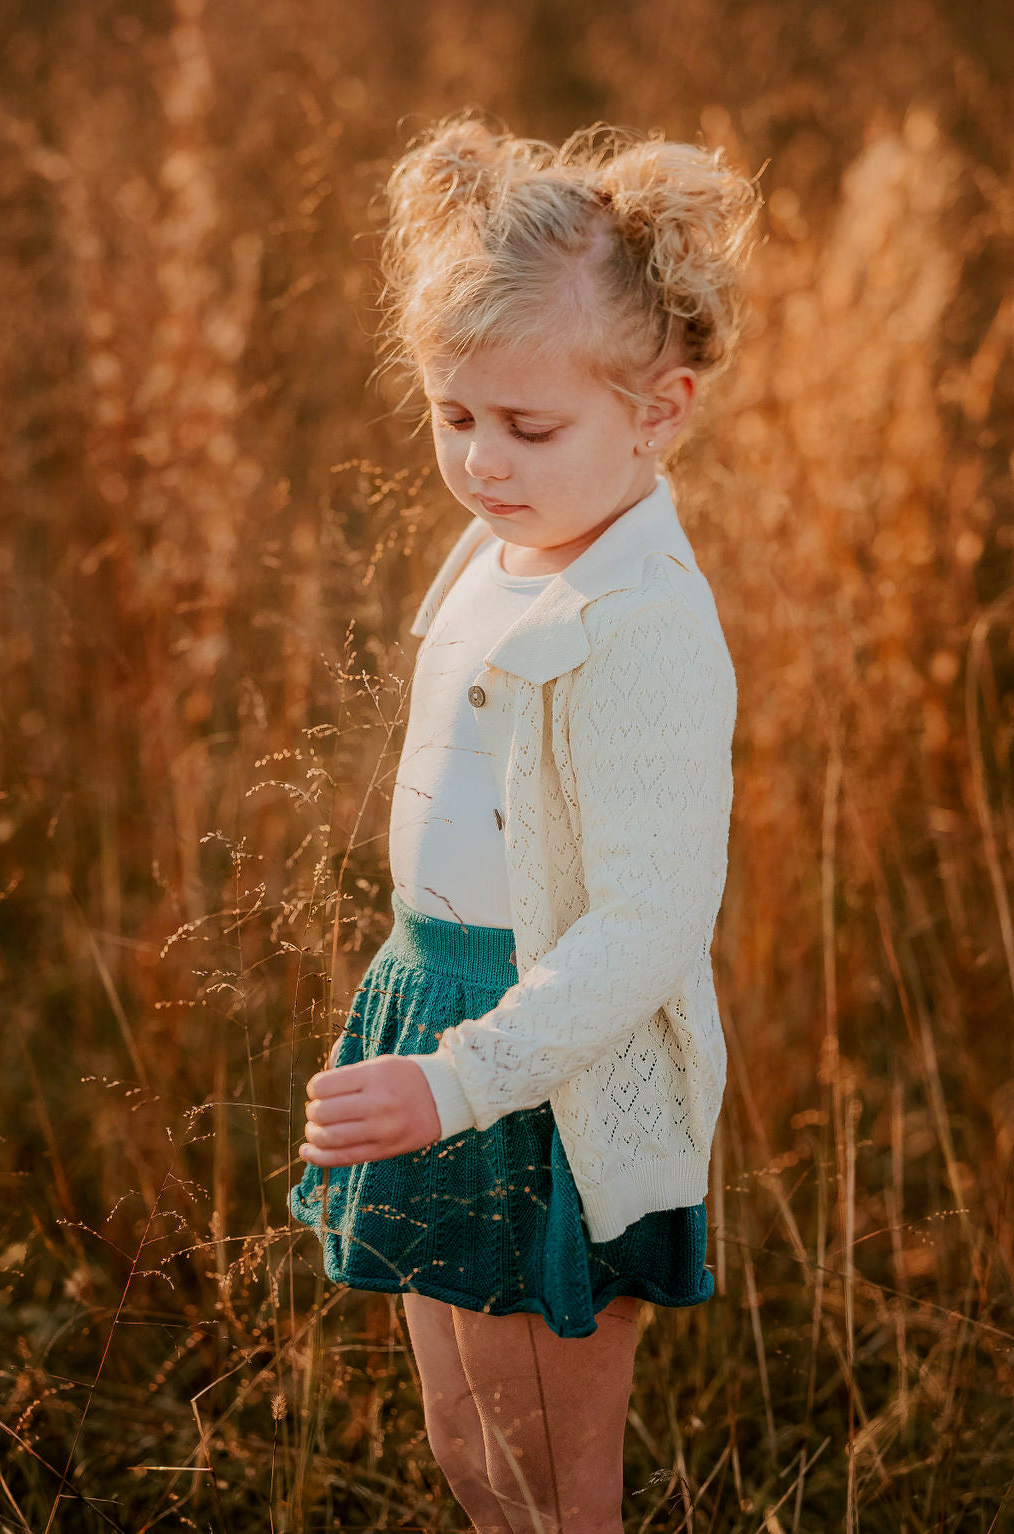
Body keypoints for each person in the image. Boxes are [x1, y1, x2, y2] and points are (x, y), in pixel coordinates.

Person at [288, 111, 761, 1534]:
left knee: (556, 1476)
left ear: (659, 410)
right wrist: (418, 1038)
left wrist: (461, 1076)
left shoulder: (646, 623)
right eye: (454, 416)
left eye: (528, 426)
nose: (484, 461)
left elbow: (644, 925)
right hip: (436, 1002)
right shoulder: (511, 538)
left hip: (549, 1068)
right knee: (466, 1438)